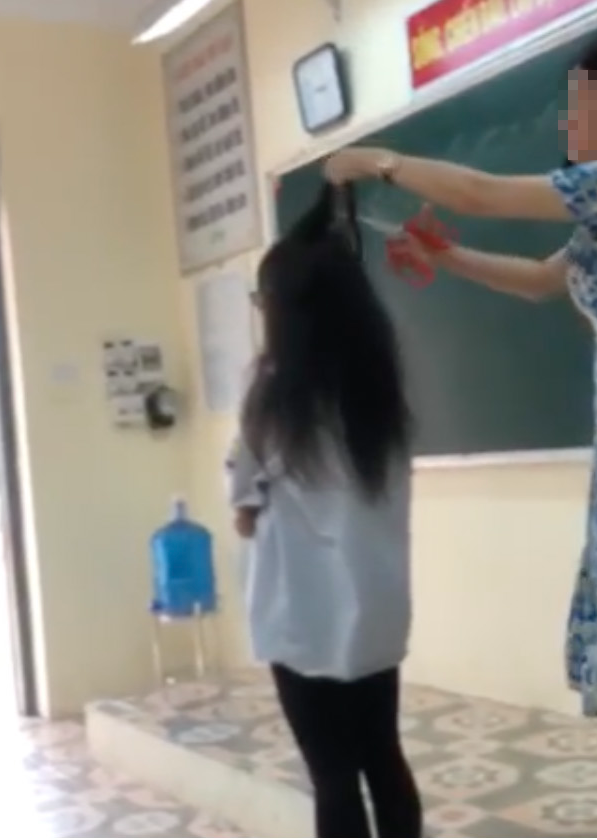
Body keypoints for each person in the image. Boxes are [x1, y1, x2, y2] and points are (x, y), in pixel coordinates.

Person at [323, 29, 597, 718]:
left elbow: (481, 194)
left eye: (583, 103)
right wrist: (447, 257)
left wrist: (377, 161)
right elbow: (541, 280)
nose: (567, 121)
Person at [227, 186, 422, 838]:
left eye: (263, 300)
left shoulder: (272, 395)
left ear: (286, 312)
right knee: (383, 756)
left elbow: (243, 506)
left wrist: (257, 506)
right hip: (375, 615)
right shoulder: (380, 392)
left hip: (302, 618)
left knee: (332, 775)